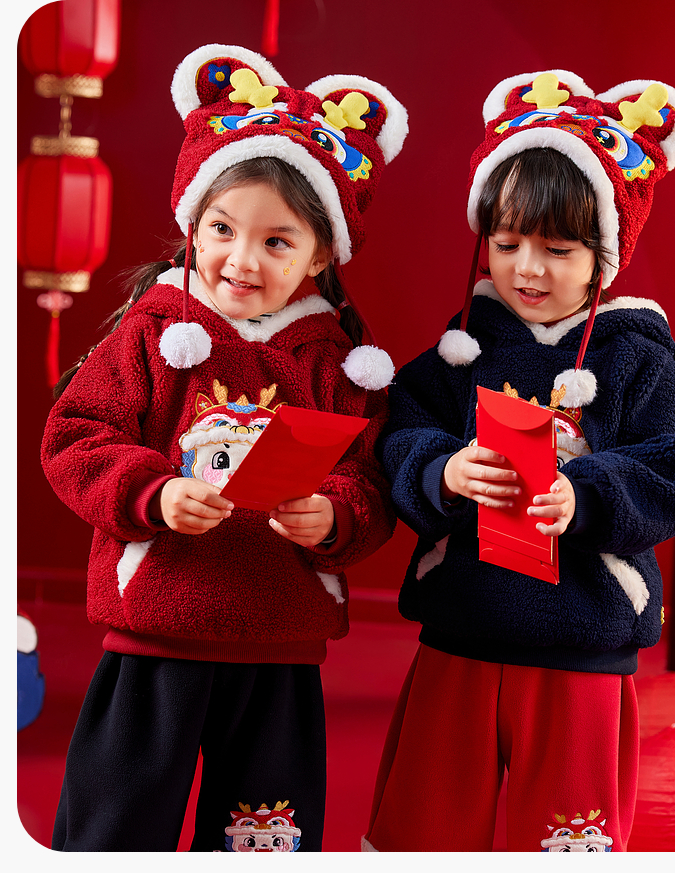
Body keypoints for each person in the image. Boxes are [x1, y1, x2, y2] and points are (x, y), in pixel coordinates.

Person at [41, 43, 408, 852]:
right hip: (155, 630)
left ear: (321, 254)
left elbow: (372, 481)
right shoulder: (154, 331)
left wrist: (335, 517)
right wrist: (153, 492)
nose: (240, 260)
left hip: (280, 643)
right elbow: (75, 437)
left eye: (277, 242)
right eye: (221, 229)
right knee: (114, 832)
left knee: (262, 838)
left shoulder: (336, 360)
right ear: (192, 222)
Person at [362, 70, 675, 853]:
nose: (528, 268)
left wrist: (585, 494)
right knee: (426, 826)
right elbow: (401, 430)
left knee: (566, 835)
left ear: (605, 254)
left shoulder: (634, 357)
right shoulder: (464, 346)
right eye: (507, 243)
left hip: (583, 637)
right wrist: (442, 471)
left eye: (558, 249)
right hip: (463, 623)